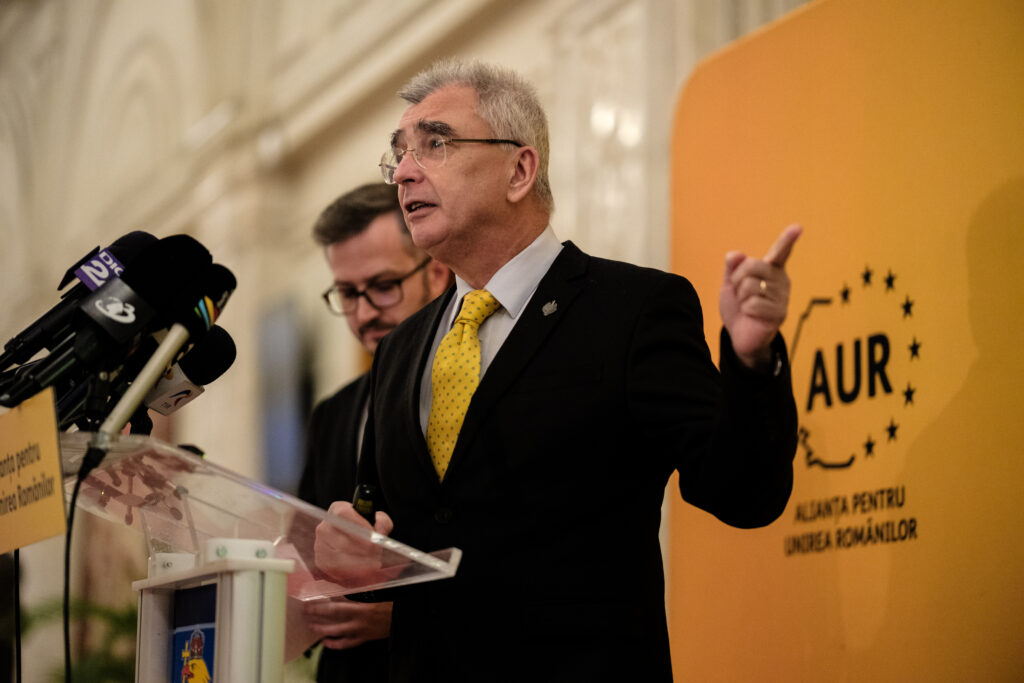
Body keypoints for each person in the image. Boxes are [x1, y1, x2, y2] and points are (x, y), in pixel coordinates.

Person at [316, 59, 802, 682]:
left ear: (520, 170)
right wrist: (351, 542)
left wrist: (751, 359)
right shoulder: (401, 349)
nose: (405, 171)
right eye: (400, 153)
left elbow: (742, 493)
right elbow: (389, 521)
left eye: (435, 144)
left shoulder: (631, 310)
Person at [296, 182, 451, 682]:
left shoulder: (471, 391)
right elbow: (304, 548)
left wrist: (404, 618)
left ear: (436, 273)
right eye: (347, 293)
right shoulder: (332, 413)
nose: (363, 314)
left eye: (383, 286)